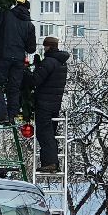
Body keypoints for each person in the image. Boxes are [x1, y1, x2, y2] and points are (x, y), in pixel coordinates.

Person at [0, 0, 36, 125]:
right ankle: (11, 117)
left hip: (2, 56)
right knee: (14, 88)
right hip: (18, 60)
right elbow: (31, 49)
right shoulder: (30, 25)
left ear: (17, 5)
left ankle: (2, 115)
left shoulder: (6, 15)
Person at [32, 37, 69, 173]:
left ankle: (50, 163)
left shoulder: (49, 62)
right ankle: (52, 162)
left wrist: (26, 72)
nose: (44, 49)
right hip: (55, 104)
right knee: (50, 134)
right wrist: (39, 66)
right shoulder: (61, 62)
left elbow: (36, 80)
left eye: (45, 46)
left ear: (48, 47)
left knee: (44, 134)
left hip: (44, 103)